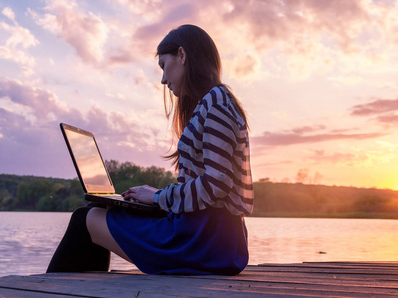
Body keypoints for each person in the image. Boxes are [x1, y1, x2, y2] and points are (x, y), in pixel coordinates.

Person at [47, 24, 254, 275]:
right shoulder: (213, 102)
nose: (163, 79)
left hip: (204, 242)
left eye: (164, 66)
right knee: (97, 210)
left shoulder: (217, 104)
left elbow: (216, 185)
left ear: (182, 55)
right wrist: (157, 197)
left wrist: (158, 198)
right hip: (206, 235)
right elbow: (211, 183)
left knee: (84, 219)